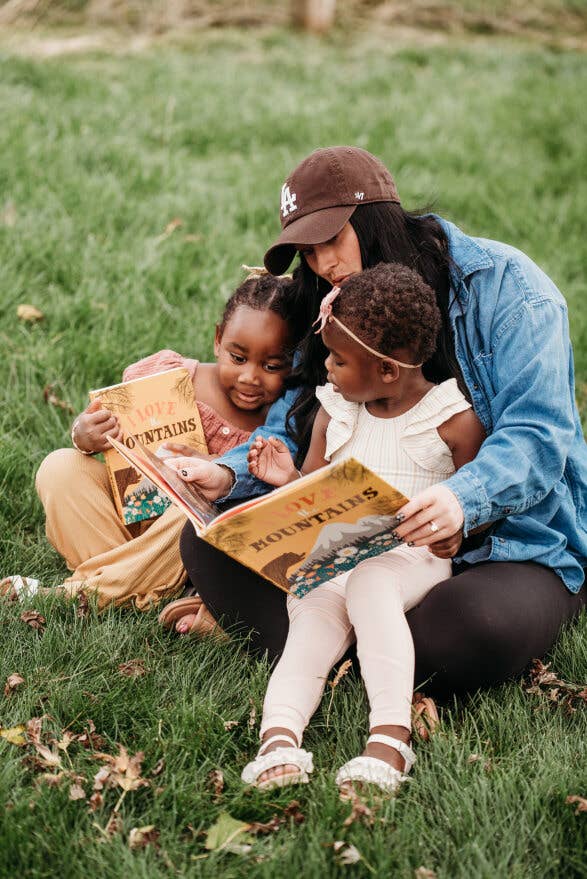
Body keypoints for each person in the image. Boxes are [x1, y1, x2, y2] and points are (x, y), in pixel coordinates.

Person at [175, 145, 587, 698]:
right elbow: (294, 416)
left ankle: (324, 650)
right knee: (205, 539)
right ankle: (365, 656)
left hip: (497, 547)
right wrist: (228, 476)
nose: (324, 266)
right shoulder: (328, 300)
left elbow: (538, 437)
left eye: (331, 241)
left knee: (477, 625)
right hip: (355, 544)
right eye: (308, 253)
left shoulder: (510, 290)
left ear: (376, 222)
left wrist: (462, 501)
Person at [239, 264, 485, 792]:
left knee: (373, 582)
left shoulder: (450, 420)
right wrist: (285, 479)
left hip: (407, 559)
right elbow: (314, 487)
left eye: (339, 359)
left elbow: (471, 505)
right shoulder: (335, 411)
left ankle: (390, 739)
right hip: (335, 556)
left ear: (389, 370)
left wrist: (453, 531)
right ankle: (278, 737)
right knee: (309, 617)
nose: (326, 367)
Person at [2, 272, 302, 613]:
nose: (250, 376)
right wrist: (86, 435)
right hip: (125, 518)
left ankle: (82, 595)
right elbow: (114, 443)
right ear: (218, 340)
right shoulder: (170, 376)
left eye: (272, 365)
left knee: (195, 509)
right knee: (60, 466)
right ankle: (136, 586)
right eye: (238, 358)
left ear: (294, 365)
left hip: (178, 545)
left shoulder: (280, 423)